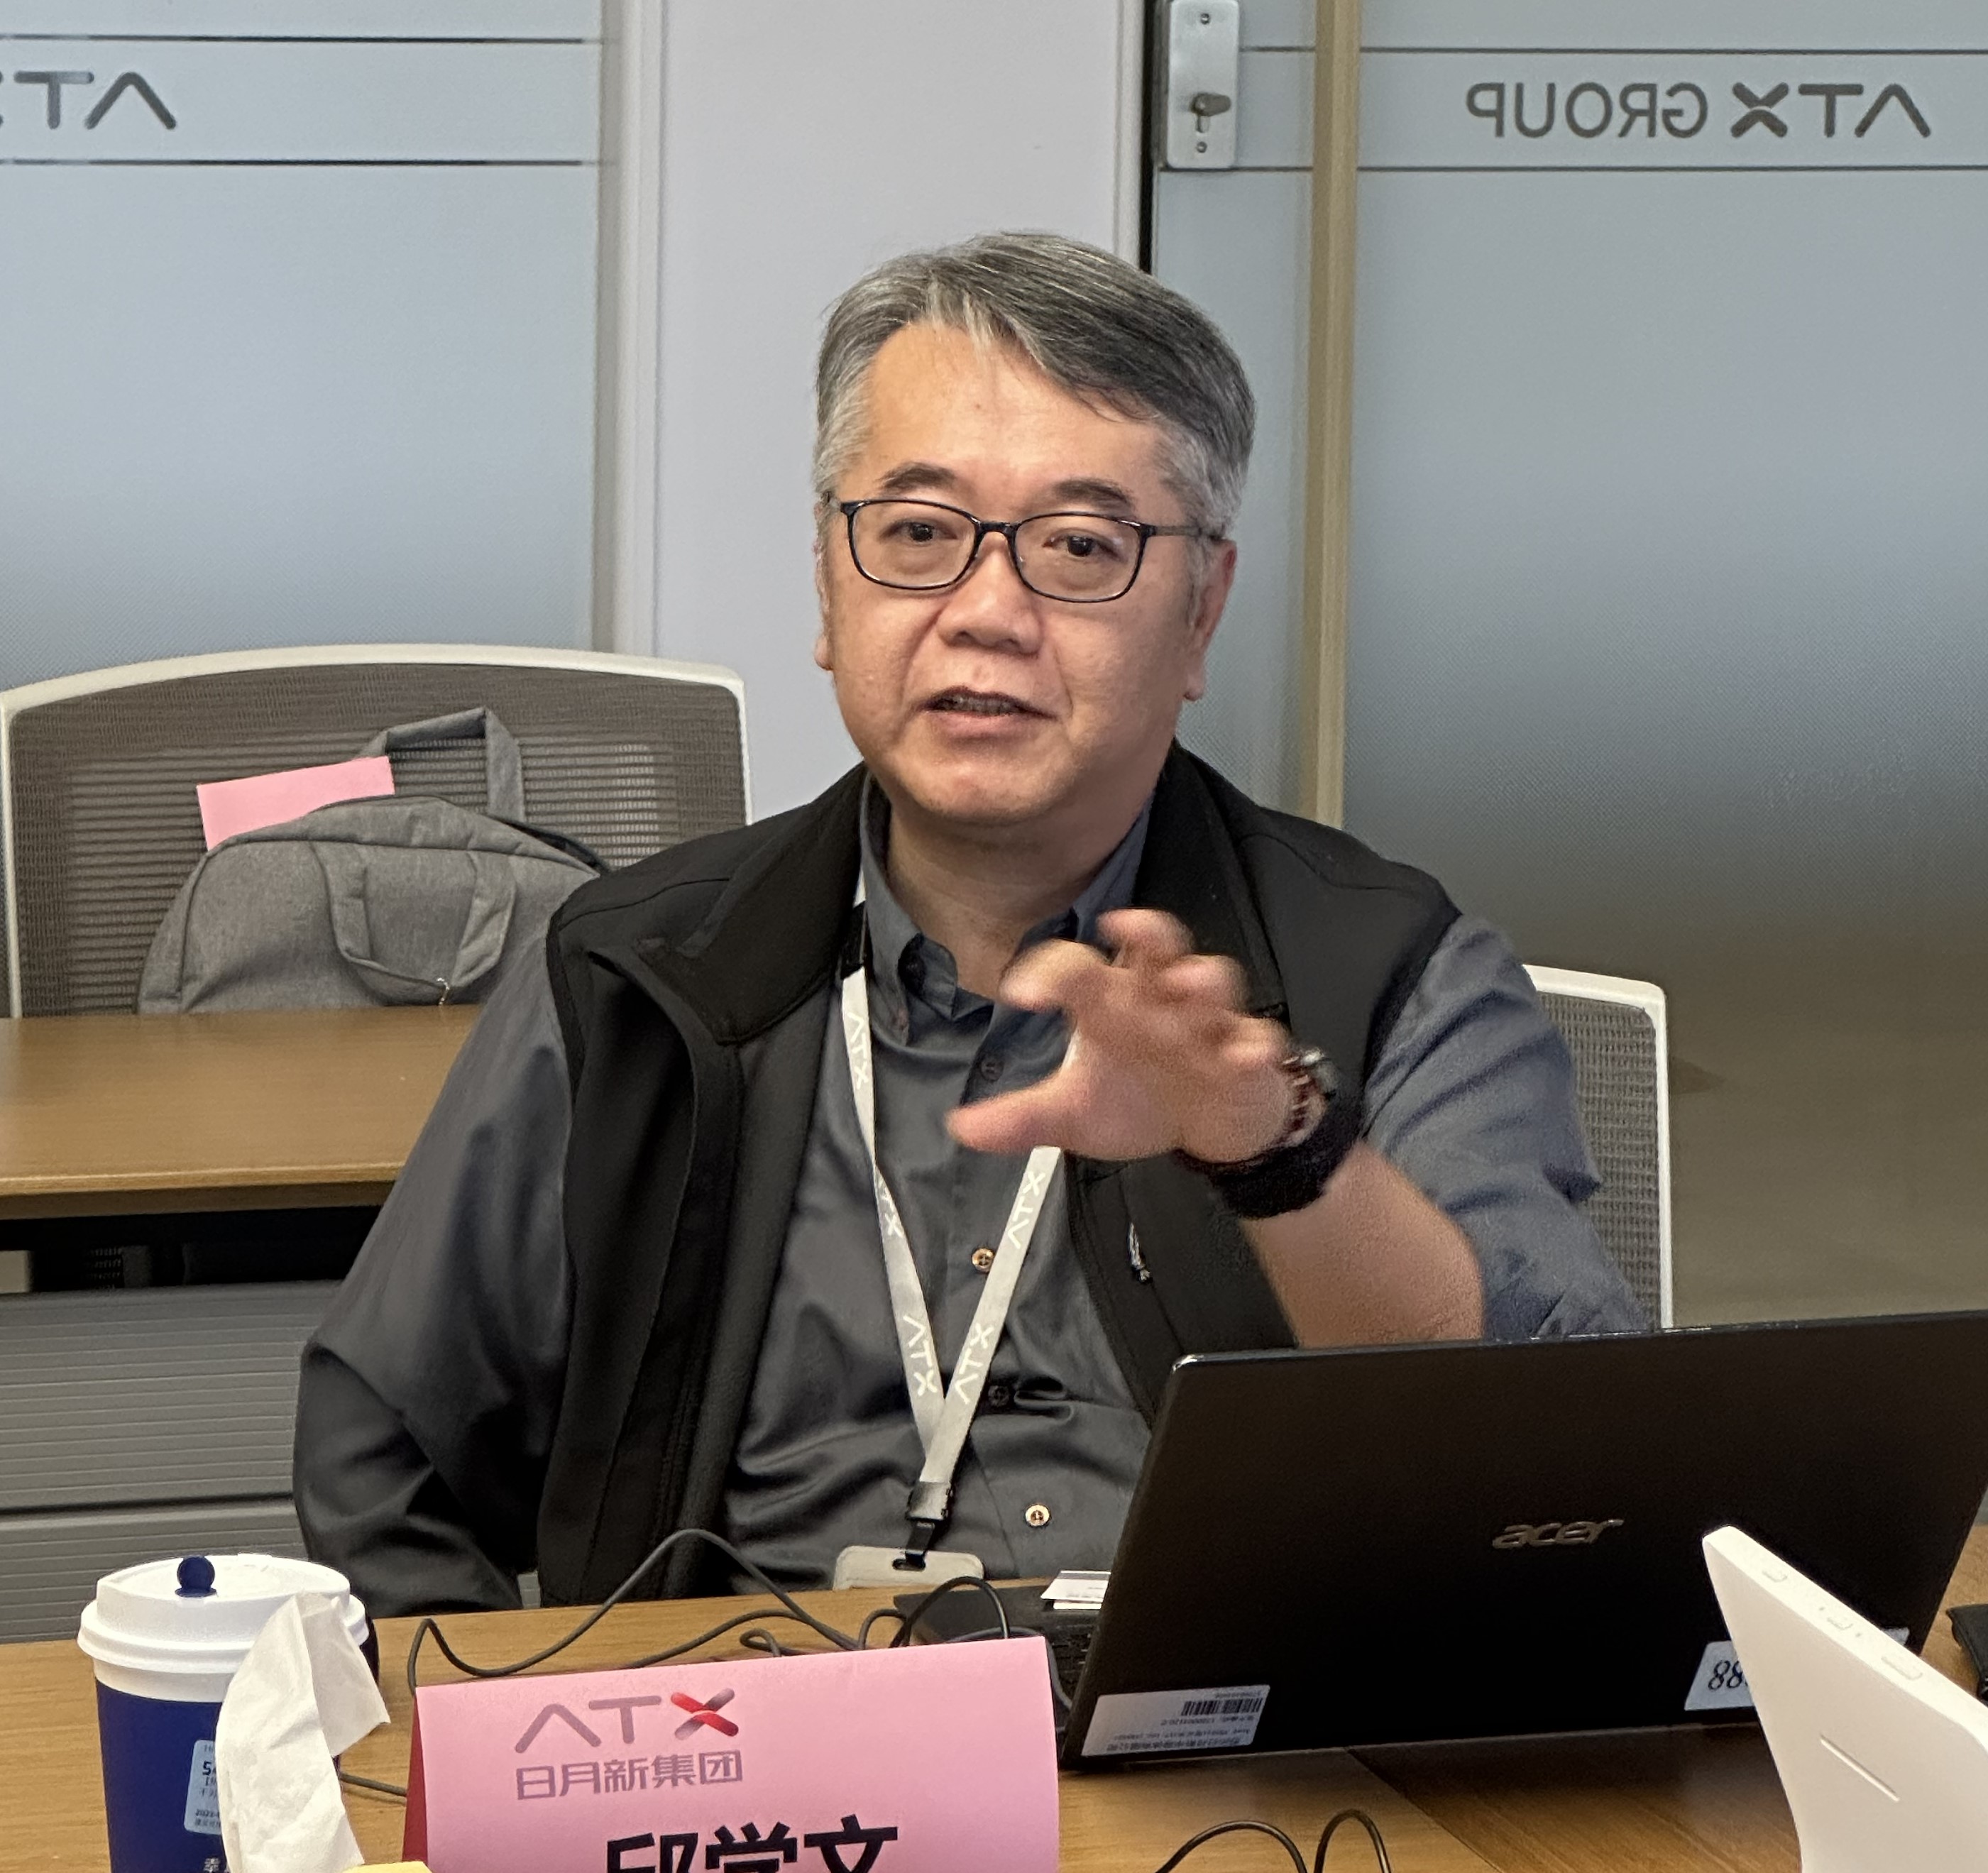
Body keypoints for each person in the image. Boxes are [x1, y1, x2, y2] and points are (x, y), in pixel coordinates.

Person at [294, 231, 1643, 1616]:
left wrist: (1275, 1149)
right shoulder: (636, 977)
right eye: (919, 536)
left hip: (1217, 1725)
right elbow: (385, 1457)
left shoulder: (1391, 971)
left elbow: (1551, 1467)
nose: (986, 613)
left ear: (1200, 615)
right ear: (829, 588)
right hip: (752, 1728)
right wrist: (542, 1725)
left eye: (1078, 548)